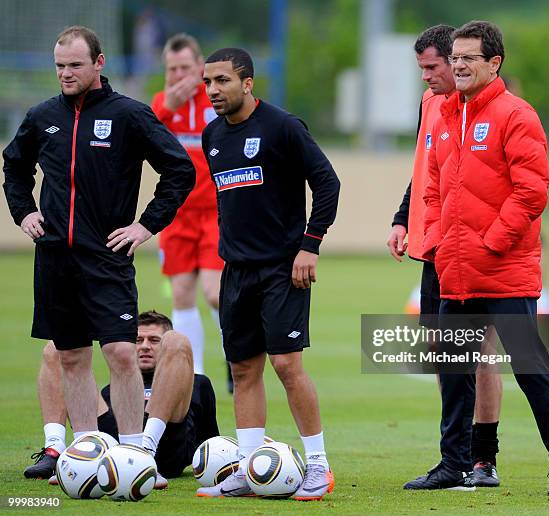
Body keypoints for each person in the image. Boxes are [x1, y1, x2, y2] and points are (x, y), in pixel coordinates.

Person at [407, 20, 549, 497]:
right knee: (454, 369)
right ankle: (455, 464)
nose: (459, 65)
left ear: (494, 63)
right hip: (455, 271)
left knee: (529, 366)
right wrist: (443, 240)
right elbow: (432, 190)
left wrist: (489, 243)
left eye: (469, 58)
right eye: (456, 57)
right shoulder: (444, 114)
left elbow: (532, 192)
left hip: (504, 270)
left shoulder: (516, 114)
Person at [2, 27, 195, 459]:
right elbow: (14, 167)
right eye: (59, 66)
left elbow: (180, 170)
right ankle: (88, 454)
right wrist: (25, 212)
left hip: (107, 256)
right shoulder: (42, 116)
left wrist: (145, 226)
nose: (66, 74)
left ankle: (134, 456)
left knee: (122, 352)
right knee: (70, 356)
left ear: (99, 63)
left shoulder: (129, 115)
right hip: (54, 258)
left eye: (75, 65)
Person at [197, 48, 341, 501]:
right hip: (236, 271)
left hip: (284, 268)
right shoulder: (212, 135)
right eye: (208, 83)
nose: (213, 91)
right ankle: (250, 465)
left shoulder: (282, 127)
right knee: (242, 370)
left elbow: (327, 183)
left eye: (222, 80)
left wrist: (309, 246)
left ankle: (318, 465)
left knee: (286, 365)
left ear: (248, 82)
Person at [386, 24, 502, 487]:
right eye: (425, 68)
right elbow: (424, 171)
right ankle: (455, 456)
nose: (429, 75)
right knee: (444, 351)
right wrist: (402, 218)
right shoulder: (430, 106)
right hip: (435, 246)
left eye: (434, 66)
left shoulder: (493, 114)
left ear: (461, 60)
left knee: (479, 352)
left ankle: (481, 459)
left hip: (478, 249)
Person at [23, 311, 219, 488]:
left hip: (167, 445)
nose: (144, 346)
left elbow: (208, 442)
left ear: (164, 346)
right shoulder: (113, 389)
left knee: (178, 339)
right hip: (112, 446)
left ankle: (145, 452)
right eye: (138, 340)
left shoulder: (198, 384)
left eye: (154, 340)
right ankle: (57, 450)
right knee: (57, 346)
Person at [151, 33, 229, 386]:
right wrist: (167, 105)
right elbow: (143, 136)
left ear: (200, 67)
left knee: (215, 292)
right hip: (177, 213)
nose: (179, 75)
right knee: (182, 294)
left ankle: (235, 354)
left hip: (215, 211)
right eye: (172, 68)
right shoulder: (160, 105)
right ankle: (194, 378)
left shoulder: (217, 100)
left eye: (185, 68)